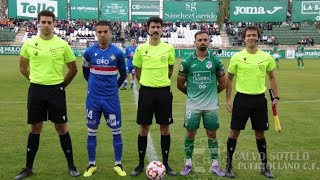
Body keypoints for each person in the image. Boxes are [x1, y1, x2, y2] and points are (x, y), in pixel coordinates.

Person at [15, 10, 79, 180]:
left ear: (54, 24)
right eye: (43, 22)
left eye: (49, 22)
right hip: (36, 90)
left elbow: (73, 69)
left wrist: (61, 86)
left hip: (55, 90)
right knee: (35, 128)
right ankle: (28, 168)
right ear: (38, 23)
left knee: (61, 127)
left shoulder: (62, 44)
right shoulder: (29, 43)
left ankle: (71, 165)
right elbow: (22, 67)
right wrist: (34, 80)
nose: (46, 25)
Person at [224, 26, 279, 178]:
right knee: (234, 132)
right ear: (244, 38)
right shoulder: (236, 57)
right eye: (248, 35)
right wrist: (228, 99)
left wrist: (276, 96)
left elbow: (272, 77)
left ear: (258, 37)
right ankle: (228, 166)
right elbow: (229, 79)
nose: (251, 37)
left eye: (254, 35)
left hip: (259, 100)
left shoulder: (266, 57)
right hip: (241, 99)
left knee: (260, 134)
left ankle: (264, 167)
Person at [130, 16, 176, 177]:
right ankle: (140, 164)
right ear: (147, 29)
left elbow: (170, 69)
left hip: (164, 91)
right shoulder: (141, 49)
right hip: (146, 92)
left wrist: (161, 81)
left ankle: (167, 163)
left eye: (158, 27)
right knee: (143, 128)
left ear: (162, 29)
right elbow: (138, 70)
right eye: (153, 27)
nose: (155, 30)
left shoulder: (169, 48)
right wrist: (146, 83)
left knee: (165, 128)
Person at [177, 30, 226, 177]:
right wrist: (193, 95)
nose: (203, 42)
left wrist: (210, 94)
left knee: (212, 134)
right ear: (195, 42)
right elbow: (180, 84)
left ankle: (215, 165)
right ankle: (188, 164)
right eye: (200, 40)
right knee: (190, 133)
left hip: (211, 106)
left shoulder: (216, 61)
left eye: (205, 40)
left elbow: (223, 84)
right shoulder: (187, 62)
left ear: (209, 42)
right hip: (193, 106)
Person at [82, 20, 127, 177]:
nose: (102, 35)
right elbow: (85, 72)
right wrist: (93, 86)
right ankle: (91, 164)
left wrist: (114, 87)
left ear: (110, 33)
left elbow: (123, 74)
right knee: (91, 131)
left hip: (111, 100)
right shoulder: (88, 52)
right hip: (93, 99)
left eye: (105, 32)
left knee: (116, 131)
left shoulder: (118, 53)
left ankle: (118, 164)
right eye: (99, 32)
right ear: (95, 33)